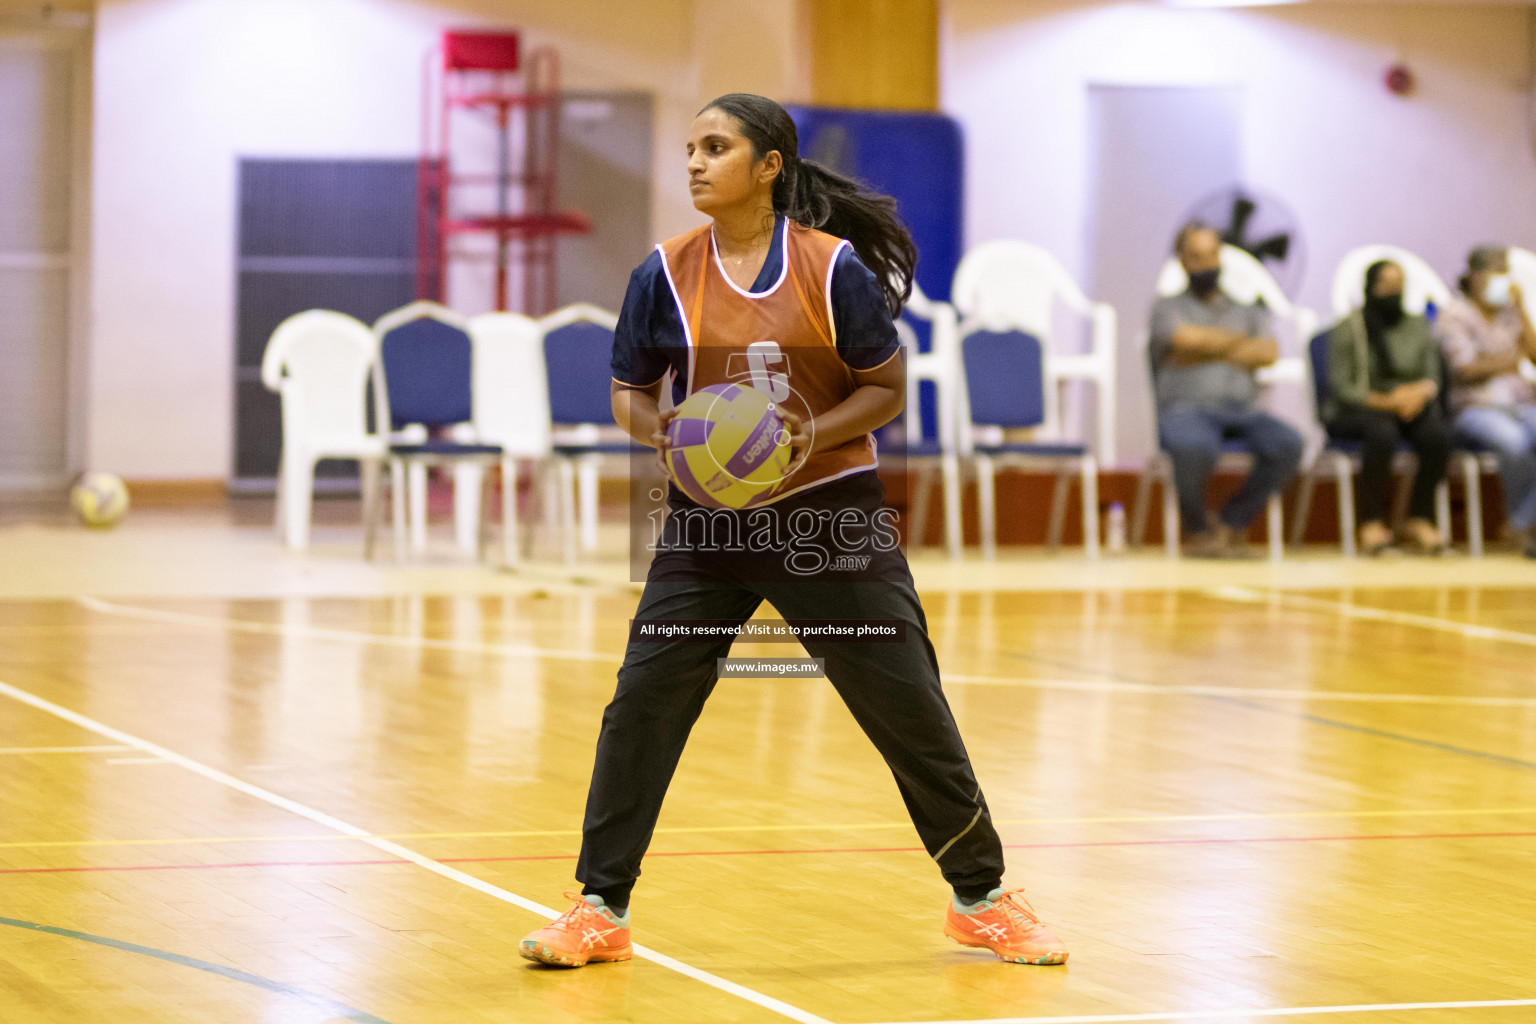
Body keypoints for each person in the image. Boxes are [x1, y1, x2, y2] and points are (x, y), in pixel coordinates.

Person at [518, 94, 1067, 969]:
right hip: (707, 526)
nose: (694, 163)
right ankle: (599, 909)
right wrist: (660, 428)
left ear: (769, 165)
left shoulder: (831, 267)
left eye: (716, 147)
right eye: (691, 148)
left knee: (906, 706)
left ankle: (983, 897)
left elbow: (886, 387)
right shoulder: (661, 271)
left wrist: (813, 430)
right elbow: (628, 388)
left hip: (829, 516)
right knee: (644, 706)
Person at [1149, 223, 1304, 557]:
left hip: (1241, 411)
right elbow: (1181, 338)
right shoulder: (1166, 307)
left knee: (1289, 443)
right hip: (1185, 410)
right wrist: (1238, 344)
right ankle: (1198, 531)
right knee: (1195, 446)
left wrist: (1206, 344)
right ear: (1182, 261)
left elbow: (1268, 352)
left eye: (1212, 255)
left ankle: (1231, 521)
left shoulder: (1245, 309)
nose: (1207, 265)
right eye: (1196, 257)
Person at [1322, 261, 1450, 555]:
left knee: (1437, 435)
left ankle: (1419, 519)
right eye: (1386, 285)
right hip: (1359, 410)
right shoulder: (1350, 328)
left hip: (1409, 406)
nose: (1393, 291)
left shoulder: (1417, 325)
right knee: (1382, 433)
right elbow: (1342, 387)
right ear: (1370, 286)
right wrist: (1387, 402)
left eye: (1399, 285)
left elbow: (1432, 376)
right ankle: (1371, 523)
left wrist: (1415, 395)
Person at [1437, 245, 1536, 558]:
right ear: (1476, 278)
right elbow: (1467, 370)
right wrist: (1512, 359)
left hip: (1521, 403)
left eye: (1504, 272)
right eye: (1495, 272)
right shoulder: (1454, 314)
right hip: (1474, 408)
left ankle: (1519, 522)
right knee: (1514, 442)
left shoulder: (1510, 314)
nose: (1501, 280)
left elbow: (1532, 356)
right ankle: (1521, 526)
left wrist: (1522, 309)